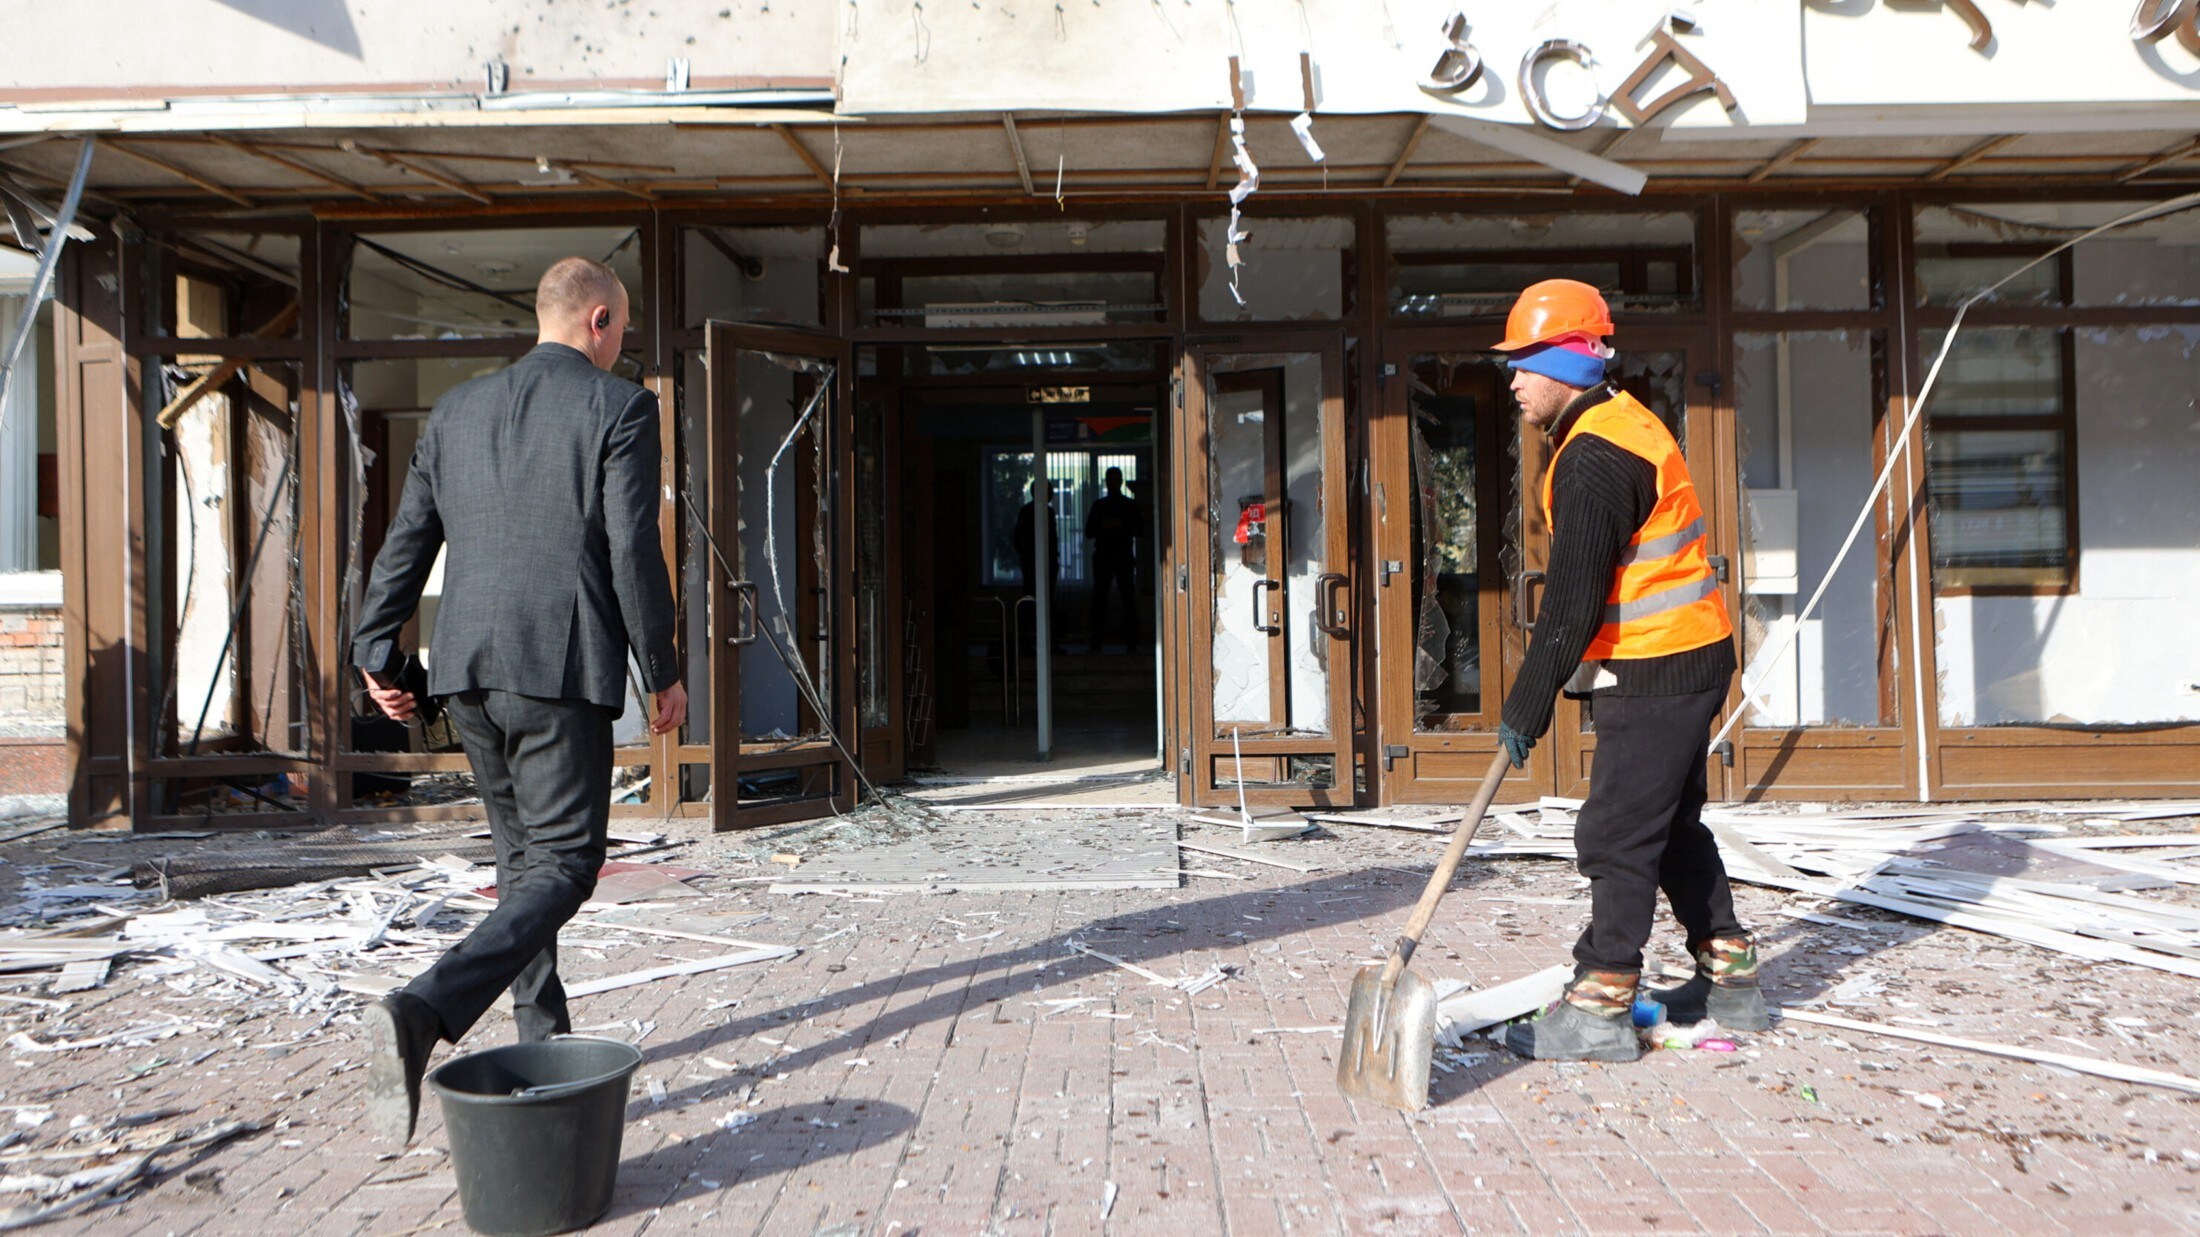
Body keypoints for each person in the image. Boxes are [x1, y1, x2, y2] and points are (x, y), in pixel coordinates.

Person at [349, 256, 685, 1141]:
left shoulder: (456, 410)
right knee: (567, 865)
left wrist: (376, 651)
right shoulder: (620, 407)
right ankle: (423, 1008)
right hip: (557, 668)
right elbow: (632, 550)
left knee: (523, 866)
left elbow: (407, 537)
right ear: (600, 321)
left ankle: (545, 1045)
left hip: (466, 670)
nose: (620, 346)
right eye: (621, 330)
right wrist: (663, 667)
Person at [1486, 279, 1764, 1063]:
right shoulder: (1621, 422)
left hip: (1659, 664)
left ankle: (1602, 1004)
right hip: (1687, 654)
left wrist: (1526, 704)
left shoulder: (1596, 457)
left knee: (1615, 831)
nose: (1513, 381)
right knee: (1667, 826)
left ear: (1568, 363)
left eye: (1525, 363)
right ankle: (1732, 979)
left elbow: (1570, 604)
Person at [1084, 466, 1142, 648]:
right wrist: (1105, 525)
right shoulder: (1101, 505)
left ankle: (1130, 641)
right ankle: (1098, 640)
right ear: (1107, 483)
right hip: (1106, 556)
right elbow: (1089, 532)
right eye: (1111, 481)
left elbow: (1140, 530)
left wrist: (1120, 525)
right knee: (1101, 598)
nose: (1113, 484)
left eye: (1116, 481)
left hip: (1121, 556)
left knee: (1125, 598)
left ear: (1121, 482)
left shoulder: (1127, 505)